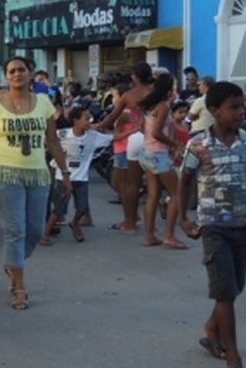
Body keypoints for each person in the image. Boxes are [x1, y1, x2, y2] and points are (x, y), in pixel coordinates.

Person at [178, 81, 246, 368]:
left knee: (236, 285)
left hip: (244, 224)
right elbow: (186, 179)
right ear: (214, 111)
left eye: (242, 106)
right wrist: (183, 218)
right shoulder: (198, 144)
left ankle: (212, 328)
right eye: (233, 107)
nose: (240, 112)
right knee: (225, 291)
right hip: (213, 225)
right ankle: (233, 361)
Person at [0, 56, 70, 311]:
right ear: (5, 76)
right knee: (15, 230)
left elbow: (53, 141)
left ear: (30, 73)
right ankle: (19, 286)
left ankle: (12, 263)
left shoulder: (44, 103)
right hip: (4, 173)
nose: (16, 74)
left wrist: (65, 172)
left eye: (21, 70)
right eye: (11, 71)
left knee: (35, 229)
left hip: (37, 173)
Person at [95, 64, 155, 233]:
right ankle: (152, 229)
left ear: (135, 77)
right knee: (153, 185)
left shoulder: (129, 95)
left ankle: (130, 223)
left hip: (135, 140)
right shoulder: (157, 93)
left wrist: (96, 126)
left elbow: (113, 115)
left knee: (130, 184)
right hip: (155, 139)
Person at [40, 107, 112, 244]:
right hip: (63, 177)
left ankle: (75, 223)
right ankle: (45, 234)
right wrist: (56, 151)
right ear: (76, 121)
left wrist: (133, 130)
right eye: (86, 119)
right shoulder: (63, 134)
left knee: (82, 208)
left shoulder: (93, 136)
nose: (89, 122)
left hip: (81, 178)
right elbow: (47, 140)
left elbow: (113, 137)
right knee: (59, 209)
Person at [137, 73, 188, 249]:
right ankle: (169, 235)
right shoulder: (163, 107)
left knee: (153, 195)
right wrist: (175, 144)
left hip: (146, 152)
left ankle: (149, 235)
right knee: (177, 193)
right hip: (158, 154)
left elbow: (143, 128)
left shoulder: (149, 106)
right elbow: (158, 132)